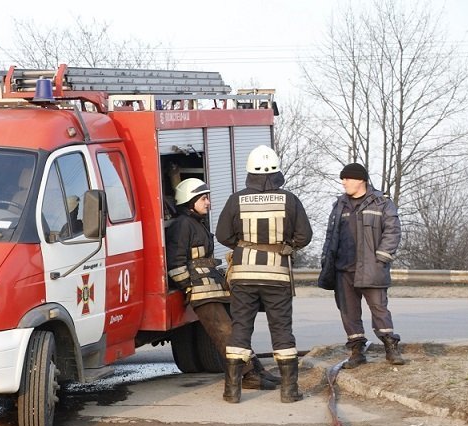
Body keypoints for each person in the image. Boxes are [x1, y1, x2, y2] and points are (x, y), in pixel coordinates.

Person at [215, 145, 313, 403]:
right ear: (277, 170)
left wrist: (243, 244)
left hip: (243, 276)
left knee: (240, 330)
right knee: (281, 330)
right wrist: (287, 246)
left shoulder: (236, 199)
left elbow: (223, 235)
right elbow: (305, 236)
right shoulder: (289, 200)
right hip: (277, 276)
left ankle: (232, 391)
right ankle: (290, 391)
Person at [166, 178, 279, 394]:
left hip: (214, 288)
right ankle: (247, 376)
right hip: (201, 292)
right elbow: (175, 263)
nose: (208, 202)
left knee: (236, 331)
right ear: (189, 201)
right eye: (203, 198)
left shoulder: (196, 223)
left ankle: (256, 369)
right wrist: (188, 287)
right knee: (224, 332)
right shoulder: (182, 226)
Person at [317, 162, 405, 369]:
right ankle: (357, 351)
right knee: (349, 312)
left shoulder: (382, 203)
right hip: (343, 270)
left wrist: (381, 258)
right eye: (343, 178)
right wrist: (326, 260)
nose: (343, 182)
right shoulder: (339, 205)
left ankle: (390, 347)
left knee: (379, 309)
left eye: (347, 178)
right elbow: (331, 236)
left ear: (361, 180)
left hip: (372, 268)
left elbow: (393, 232)